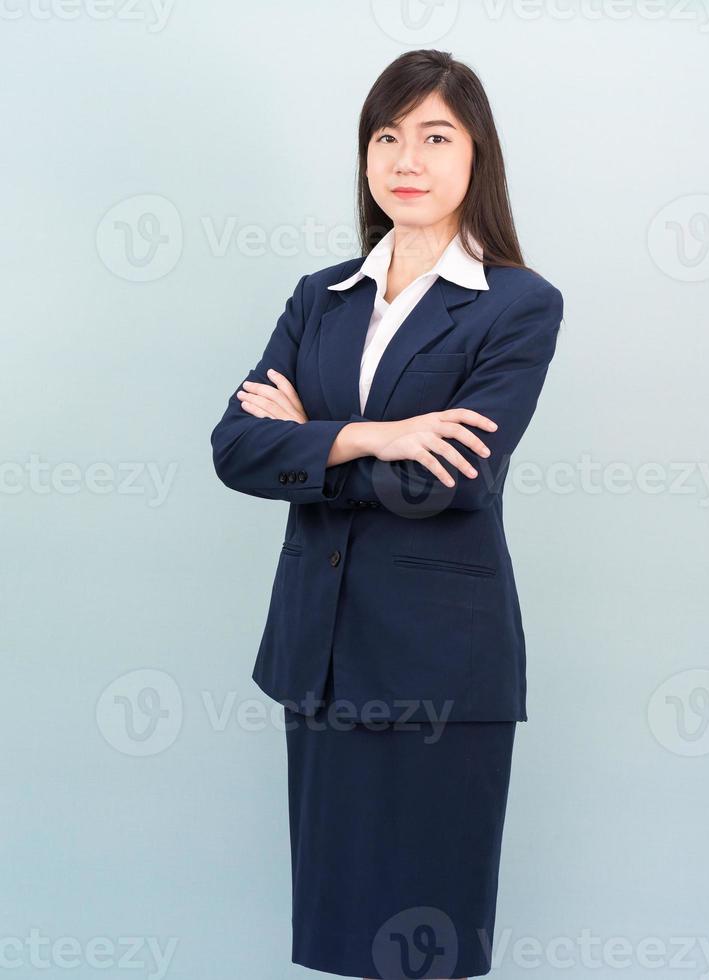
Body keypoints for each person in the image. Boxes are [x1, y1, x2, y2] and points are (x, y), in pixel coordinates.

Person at [211, 48, 564, 980]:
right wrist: (376, 437)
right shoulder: (318, 298)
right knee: (336, 939)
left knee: (423, 947)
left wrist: (317, 436)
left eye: (435, 136)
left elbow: (454, 480)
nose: (407, 157)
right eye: (386, 135)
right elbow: (236, 449)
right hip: (320, 655)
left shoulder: (517, 305)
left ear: (476, 155)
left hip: (438, 669)